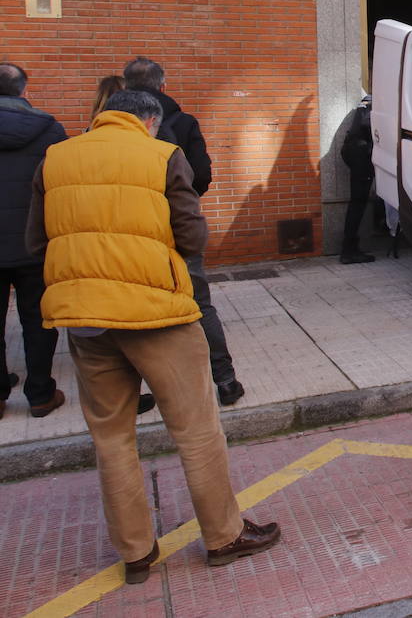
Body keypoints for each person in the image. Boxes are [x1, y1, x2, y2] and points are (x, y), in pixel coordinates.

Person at [25, 89, 281, 584]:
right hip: (157, 314)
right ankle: (224, 536)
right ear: (149, 121)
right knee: (196, 427)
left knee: (112, 437)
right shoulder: (164, 155)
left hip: (84, 318)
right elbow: (193, 237)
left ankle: (136, 553)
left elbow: (37, 241)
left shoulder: (55, 157)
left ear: (102, 118)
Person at [123, 57, 243, 407]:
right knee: (199, 302)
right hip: (177, 224)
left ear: (125, 85)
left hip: (129, 230)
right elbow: (202, 175)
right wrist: (182, 201)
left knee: (133, 307)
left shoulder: (108, 124)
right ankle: (225, 381)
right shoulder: (184, 122)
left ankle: (142, 390)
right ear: (163, 86)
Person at [0, 63, 67, 419]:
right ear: (24, 91)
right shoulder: (49, 130)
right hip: (35, 241)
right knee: (39, 318)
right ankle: (40, 393)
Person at [339, 93, 377, 264]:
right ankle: (348, 251)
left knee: (357, 203)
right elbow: (366, 122)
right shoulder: (378, 101)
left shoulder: (367, 99)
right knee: (358, 204)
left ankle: (350, 248)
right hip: (360, 153)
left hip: (352, 149)